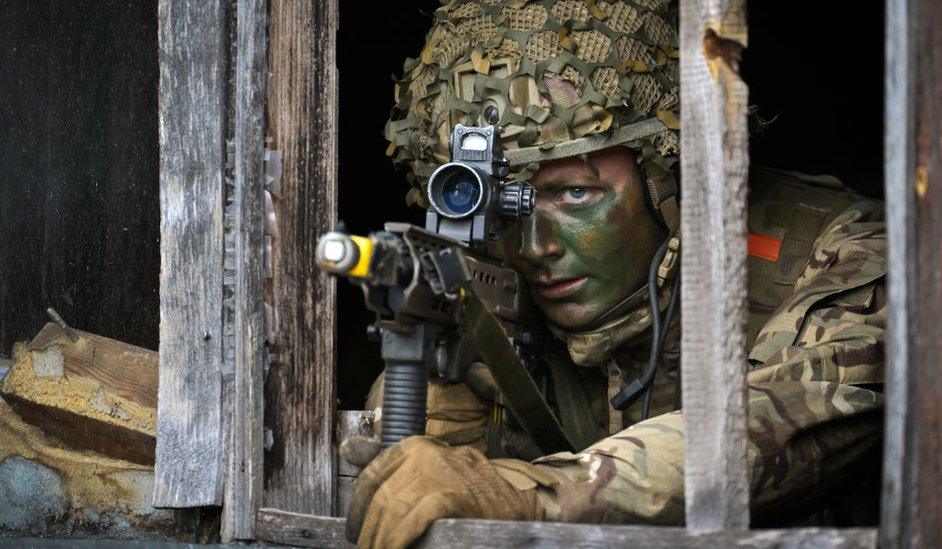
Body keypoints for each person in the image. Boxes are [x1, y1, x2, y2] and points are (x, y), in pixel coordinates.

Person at [345, 1, 887, 547]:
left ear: (669, 177)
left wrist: (530, 494)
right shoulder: (500, 295)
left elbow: (777, 427)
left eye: (575, 193)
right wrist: (431, 427)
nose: (534, 248)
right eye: (508, 209)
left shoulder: (846, 251)